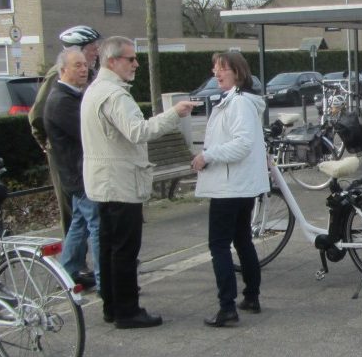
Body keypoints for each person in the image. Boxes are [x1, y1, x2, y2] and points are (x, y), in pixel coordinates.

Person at [81, 36, 195, 329]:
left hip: (102, 183)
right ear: (112, 61)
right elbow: (138, 131)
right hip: (121, 183)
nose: (136, 64)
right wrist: (174, 114)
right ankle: (127, 310)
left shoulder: (94, 90)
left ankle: (111, 305)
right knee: (124, 250)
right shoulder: (115, 95)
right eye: (130, 59)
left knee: (107, 247)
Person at [191, 52, 269, 328]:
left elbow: (242, 144)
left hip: (230, 186)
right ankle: (251, 296)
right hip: (240, 184)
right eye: (215, 68)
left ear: (237, 71)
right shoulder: (242, 101)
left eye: (222, 68)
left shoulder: (239, 103)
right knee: (242, 240)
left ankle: (227, 306)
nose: (216, 72)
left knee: (219, 246)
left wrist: (207, 156)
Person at [30, 25, 102, 238]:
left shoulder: (91, 75)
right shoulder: (58, 75)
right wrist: (48, 144)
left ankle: (75, 261)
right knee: (71, 207)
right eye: (91, 48)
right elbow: (37, 115)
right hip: (64, 150)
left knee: (82, 210)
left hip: (83, 148)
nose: (96, 51)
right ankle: (75, 266)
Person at [43, 47, 98, 291]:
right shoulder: (61, 101)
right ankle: (105, 277)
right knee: (97, 224)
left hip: (78, 172)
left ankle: (68, 271)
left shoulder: (73, 96)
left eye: (85, 64)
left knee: (80, 223)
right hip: (79, 174)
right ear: (62, 70)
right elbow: (87, 132)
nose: (84, 69)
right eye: (77, 65)